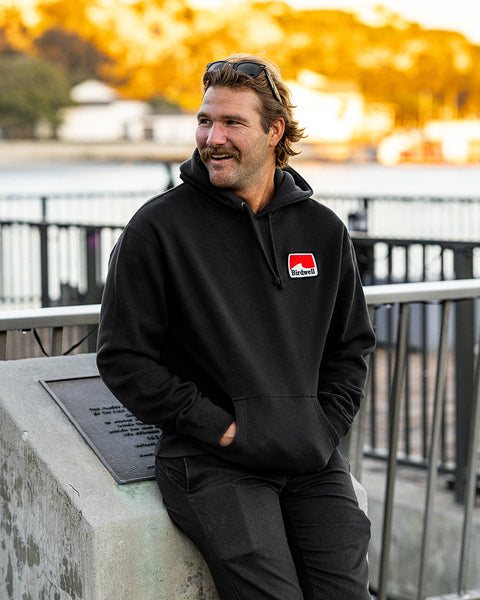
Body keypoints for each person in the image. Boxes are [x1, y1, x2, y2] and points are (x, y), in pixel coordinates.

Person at [97, 53, 376, 600]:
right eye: (205, 120)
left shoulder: (321, 230)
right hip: (213, 463)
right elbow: (124, 357)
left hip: (309, 459)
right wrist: (224, 430)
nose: (212, 138)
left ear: (274, 132)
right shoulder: (158, 229)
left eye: (232, 123)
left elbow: (351, 347)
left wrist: (321, 429)